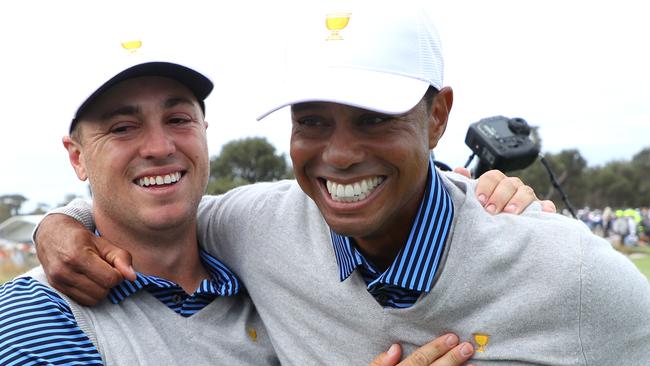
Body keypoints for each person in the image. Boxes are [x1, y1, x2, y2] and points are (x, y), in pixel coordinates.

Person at [34, 3, 639, 365]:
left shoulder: (574, 275)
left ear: (438, 117)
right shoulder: (257, 226)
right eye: (313, 121)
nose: (340, 154)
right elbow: (152, 207)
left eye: (375, 118)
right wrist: (58, 225)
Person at [0, 59, 279, 365]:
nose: (159, 148)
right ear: (78, 158)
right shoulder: (37, 313)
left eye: (178, 120)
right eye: (123, 128)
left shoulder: (267, 282)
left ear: (204, 132)